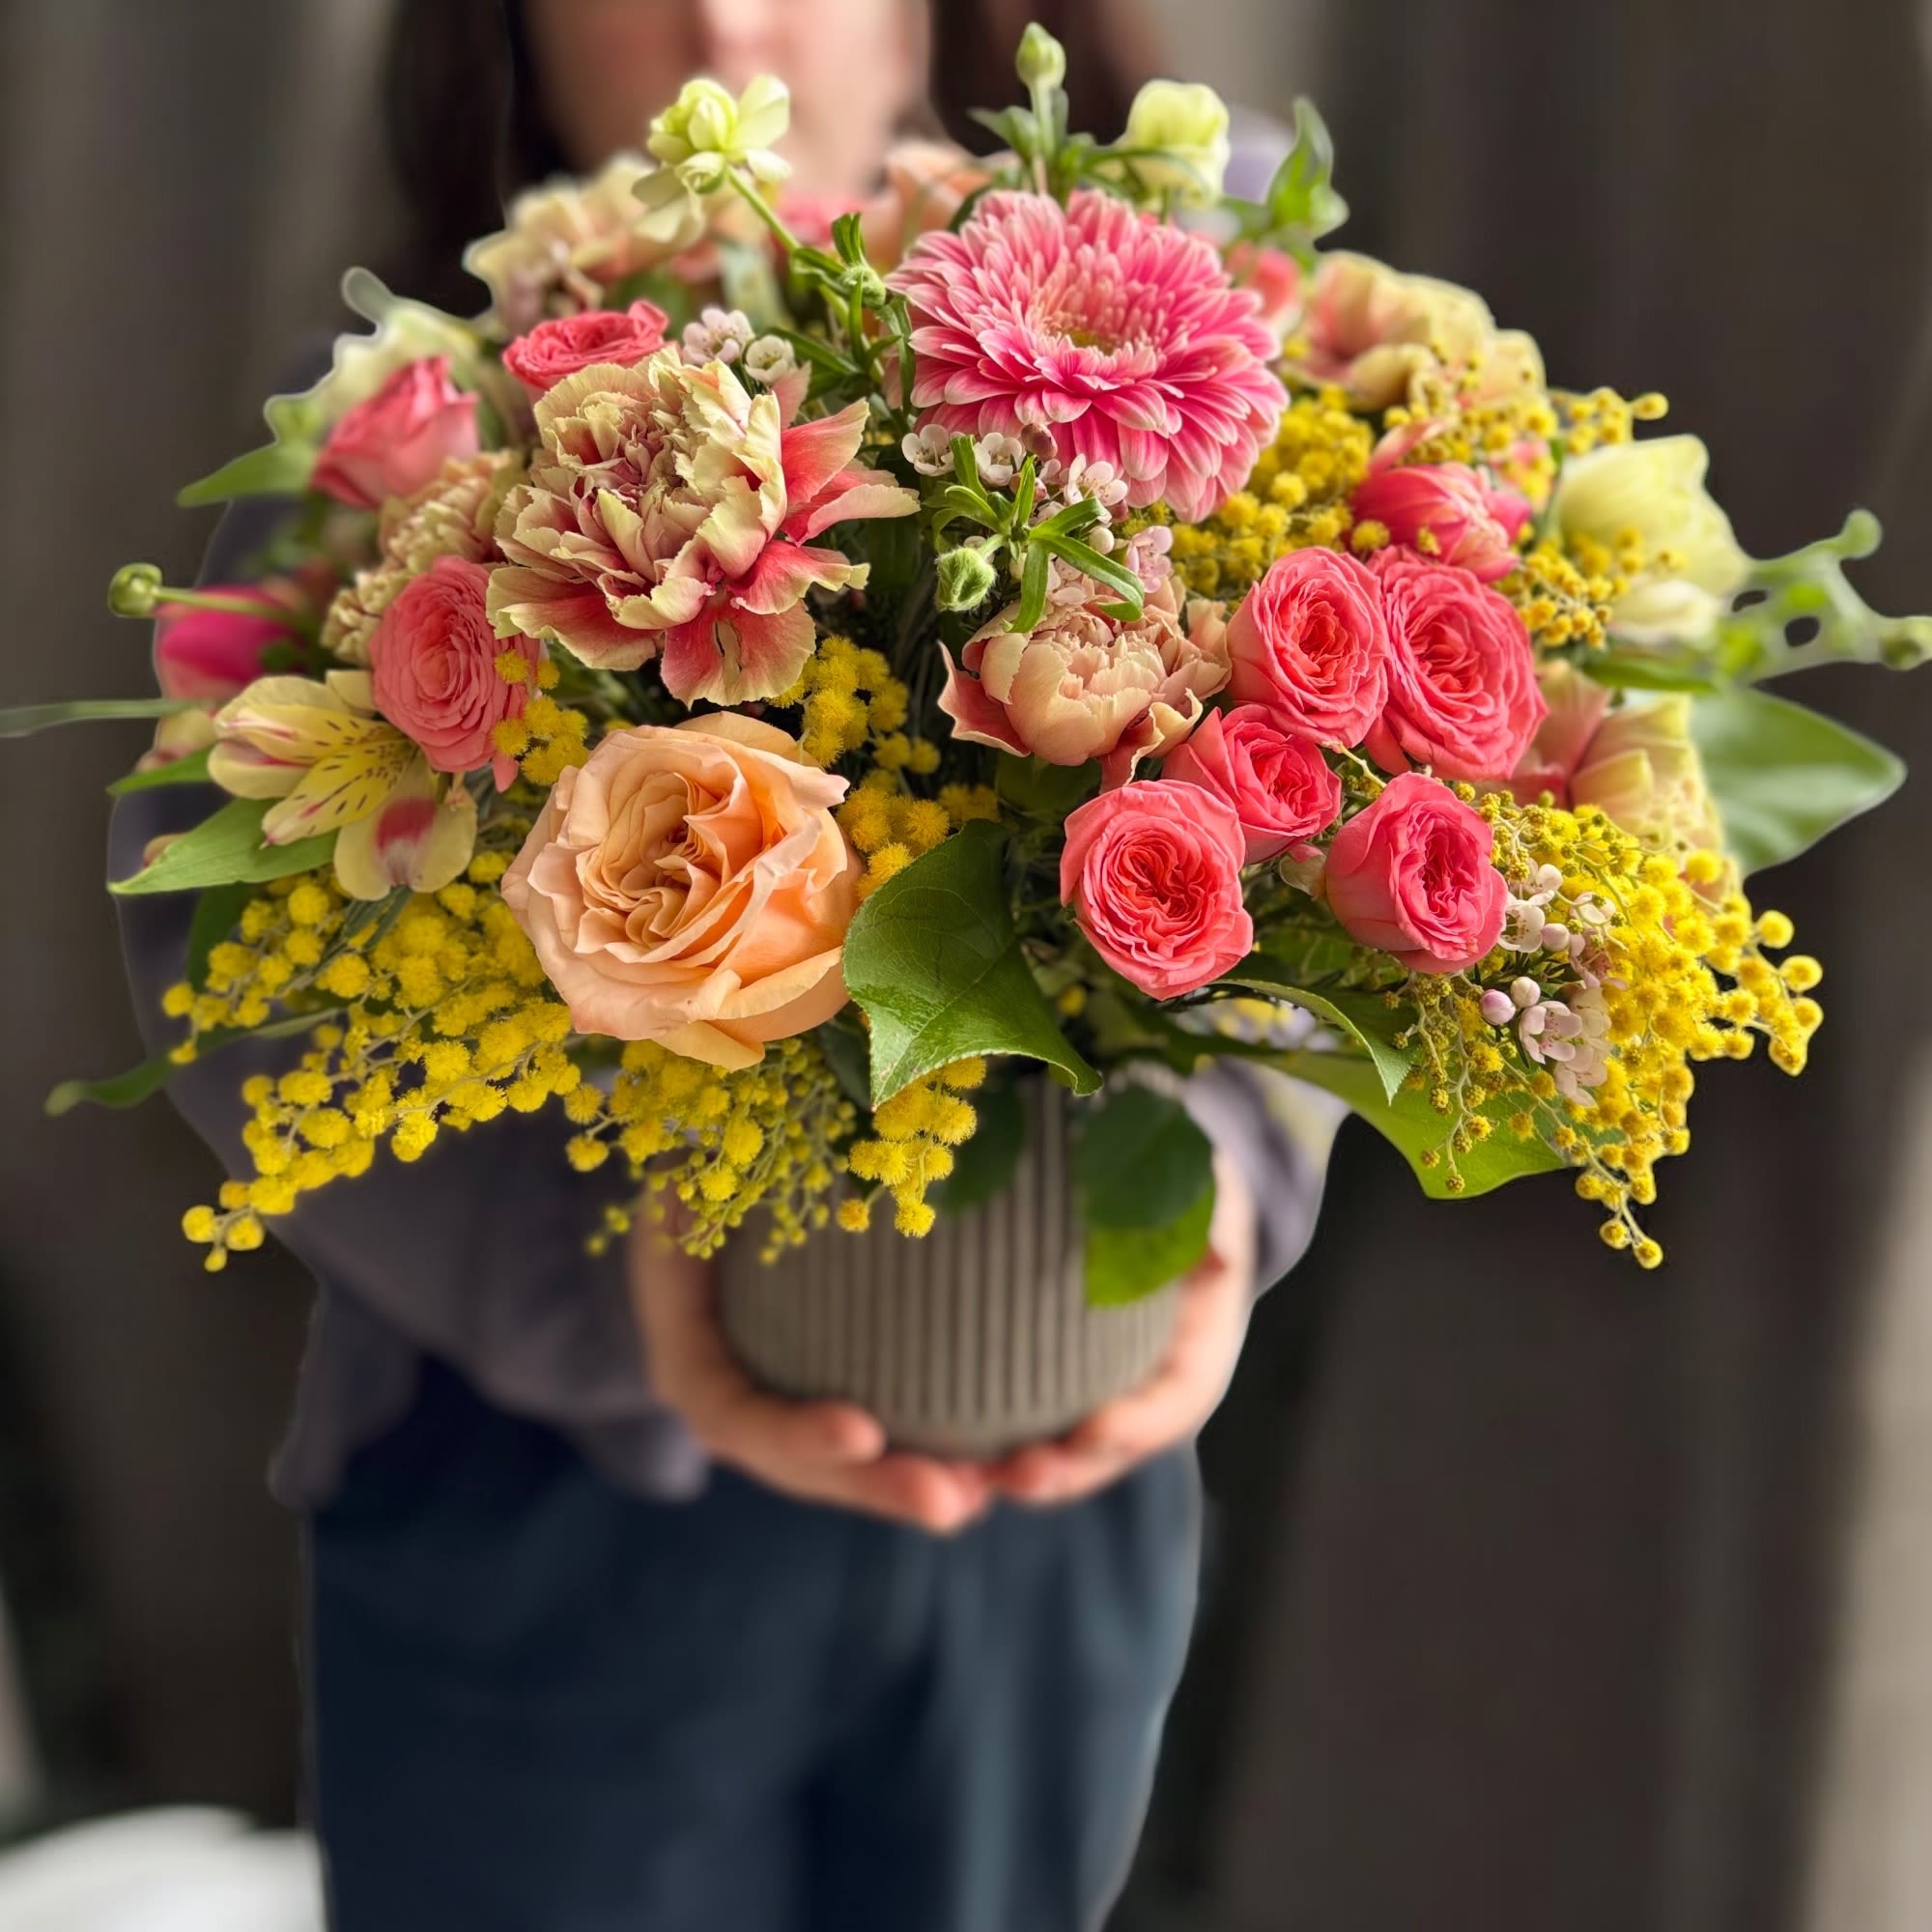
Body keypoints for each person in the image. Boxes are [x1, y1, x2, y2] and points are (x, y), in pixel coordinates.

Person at [113, 4, 1323, 1926]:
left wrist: (1220, 1210)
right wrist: (642, 1299)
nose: (717, 15)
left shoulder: (1215, 314)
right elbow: (216, 957)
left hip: (1054, 1495)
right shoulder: (401, 432)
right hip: (539, 1505)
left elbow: (1340, 808)